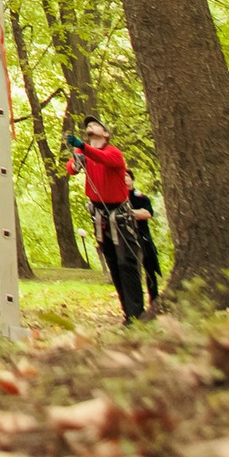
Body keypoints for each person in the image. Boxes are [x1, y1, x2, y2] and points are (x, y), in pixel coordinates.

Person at [66, 117, 147, 323]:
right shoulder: (82, 152)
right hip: (100, 215)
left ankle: (136, 313)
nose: (90, 127)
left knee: (126, 262)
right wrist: (76, 159)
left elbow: (104, 160)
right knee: (112, 262)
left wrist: (82, 147)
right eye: (88, 126)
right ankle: (126, 312)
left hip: (118, 214)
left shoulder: (113, 152)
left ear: (106, 134)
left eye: (96, 125)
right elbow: (72, 169)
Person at [127, 190, 163, 306]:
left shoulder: (141, 197)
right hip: (126, 239)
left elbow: (147, 214)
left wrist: (127, 213)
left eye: (128, 176)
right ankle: (136, 303)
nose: (125, 179)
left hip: (143, 237)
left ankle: (154, 299)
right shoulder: (117, 197)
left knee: (150, 269)